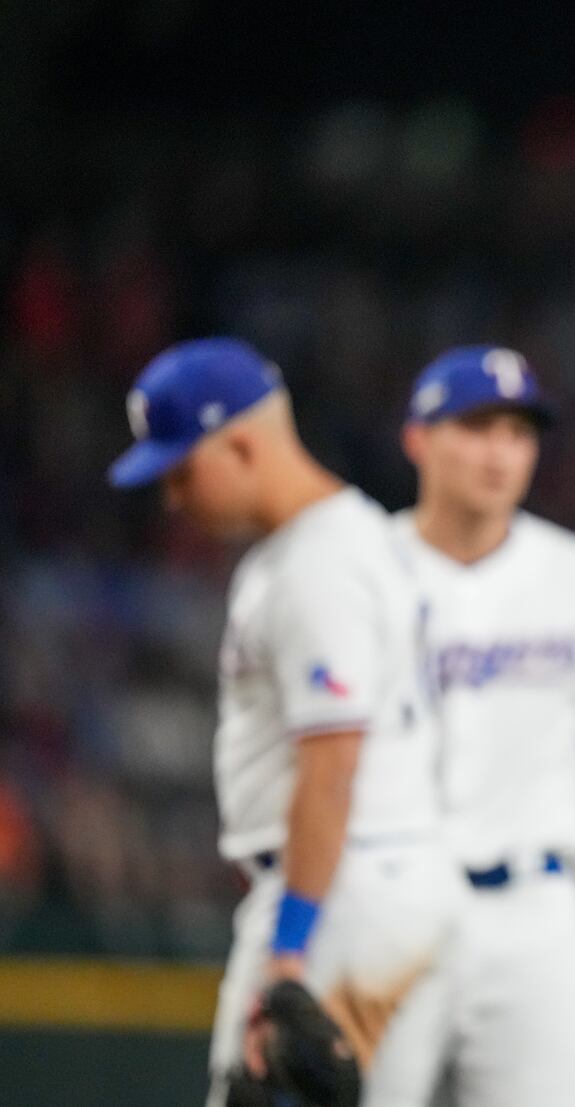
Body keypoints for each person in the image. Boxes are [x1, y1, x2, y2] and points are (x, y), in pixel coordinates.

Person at [107, 338, 459, 1106]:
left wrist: (290, 954)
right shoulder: (348, 534)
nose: (172, 495)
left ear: (239, 443)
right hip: (376, 879)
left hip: (335, 898)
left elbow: (331, 765)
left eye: (180, 468)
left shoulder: (316, 564)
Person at [395, 346, 575, 1105]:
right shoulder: (364, 571)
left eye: (518, 432)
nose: (499, 452)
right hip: (391, 903)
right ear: (417, 438)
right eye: (477, 427)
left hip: (537, 913)